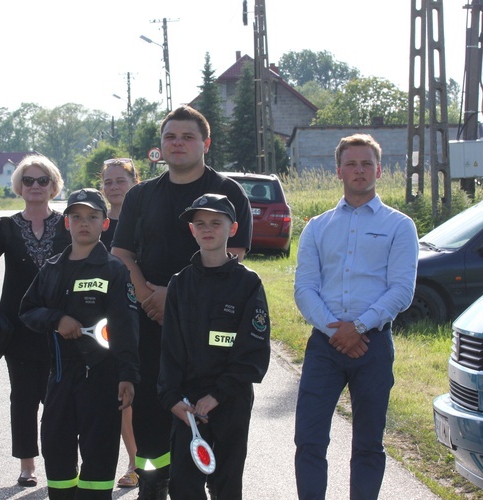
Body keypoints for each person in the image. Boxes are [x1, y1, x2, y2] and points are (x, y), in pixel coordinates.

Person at [111, 105, 253, 499]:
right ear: (160, 147)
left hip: (210, 327)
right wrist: (146, 295)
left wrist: (174, 295)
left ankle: (206, 483)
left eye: (187, 137)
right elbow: (122, 253)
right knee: (153, 410)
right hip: (150, 320)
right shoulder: (141, 195)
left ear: (205, 143)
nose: (178, 144)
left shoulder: (229, 191)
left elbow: (237, 252)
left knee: (210, 410)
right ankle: (153, 484)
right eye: (171, 137)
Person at [293, 134, 419, 499]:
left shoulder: (400, 226)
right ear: (338, 171)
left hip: (373, 345)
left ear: (379, 169)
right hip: (325, 345)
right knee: (309, 440)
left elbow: (401, 290)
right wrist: (336, 330)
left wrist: (359, 327)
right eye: (351, 163)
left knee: (368, 442)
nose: (359, 170)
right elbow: (304, 289)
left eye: (366, 163)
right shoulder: (317, 226)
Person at [19, 188, 140, 499]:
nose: (84, 223)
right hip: (59, 377)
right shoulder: (52, 267)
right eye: (76, 217)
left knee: (98, 458)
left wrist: (127, 374)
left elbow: (126, 326)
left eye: (92, 217)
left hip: (102, 377)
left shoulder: (114, 269)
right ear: (66, 223)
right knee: (56, 452)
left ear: (105, 224)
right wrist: (57, 320)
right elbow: (28, 310)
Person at [158, 193, 270, 499]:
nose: (208, 229)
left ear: (232, 229)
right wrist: (172, 399)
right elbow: (169, 348)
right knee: (183, 484)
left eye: (216, 223)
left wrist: (218, 394)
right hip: (188, 405)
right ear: (192, 230)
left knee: (226, 483)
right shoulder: (180, 283)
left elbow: (253, 350)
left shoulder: (248, 284)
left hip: (229, 400)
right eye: (200, 223)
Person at [0, 154, 70, 487]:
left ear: (53, 186)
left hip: (61, 324)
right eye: (29, 181)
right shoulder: (8, 227)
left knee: (61, 398)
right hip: (19, 325)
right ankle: (28, 465)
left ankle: (64, 461)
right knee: (23, 397)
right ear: (20, 187)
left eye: (43, 181)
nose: (36, 186)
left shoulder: (67, 224)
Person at [100, 157, 140, 489]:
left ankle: (139, 462)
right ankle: (122, 463)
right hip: (104, 323)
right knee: (115, 394)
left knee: (139, 394)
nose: (114, 187)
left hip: (142, 315)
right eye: (108, 182)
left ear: (134, 182)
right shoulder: (95, 222)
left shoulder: (144, 220)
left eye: (120, 181)